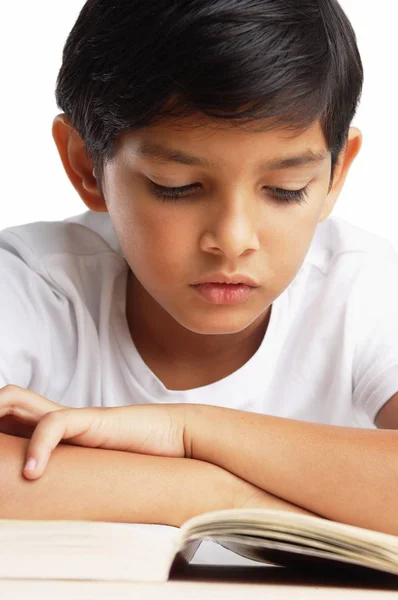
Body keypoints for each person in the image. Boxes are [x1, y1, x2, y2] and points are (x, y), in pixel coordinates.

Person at [0, 0, 397, 534]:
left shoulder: (365, 288)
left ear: (334, 174)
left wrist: (190, 432)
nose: (233, 241)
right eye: (176, 187)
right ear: (85, 166)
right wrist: (217, 495)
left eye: (285, 191)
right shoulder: (30, 284)